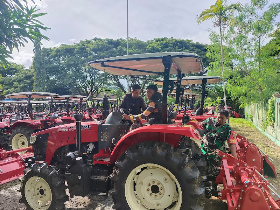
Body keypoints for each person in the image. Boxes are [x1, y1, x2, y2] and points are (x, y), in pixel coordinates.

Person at [200, 109, 237, 177]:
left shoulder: (228, 130)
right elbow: (200, 128)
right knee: (201, 168)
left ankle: (212, 186)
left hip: (216, 155)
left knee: (214, 173)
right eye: (218, 117)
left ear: (227, 118)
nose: (219, 119)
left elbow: (232, 143)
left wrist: (234, 158)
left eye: (222, 118)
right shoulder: (209, 121)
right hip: (203, 151)